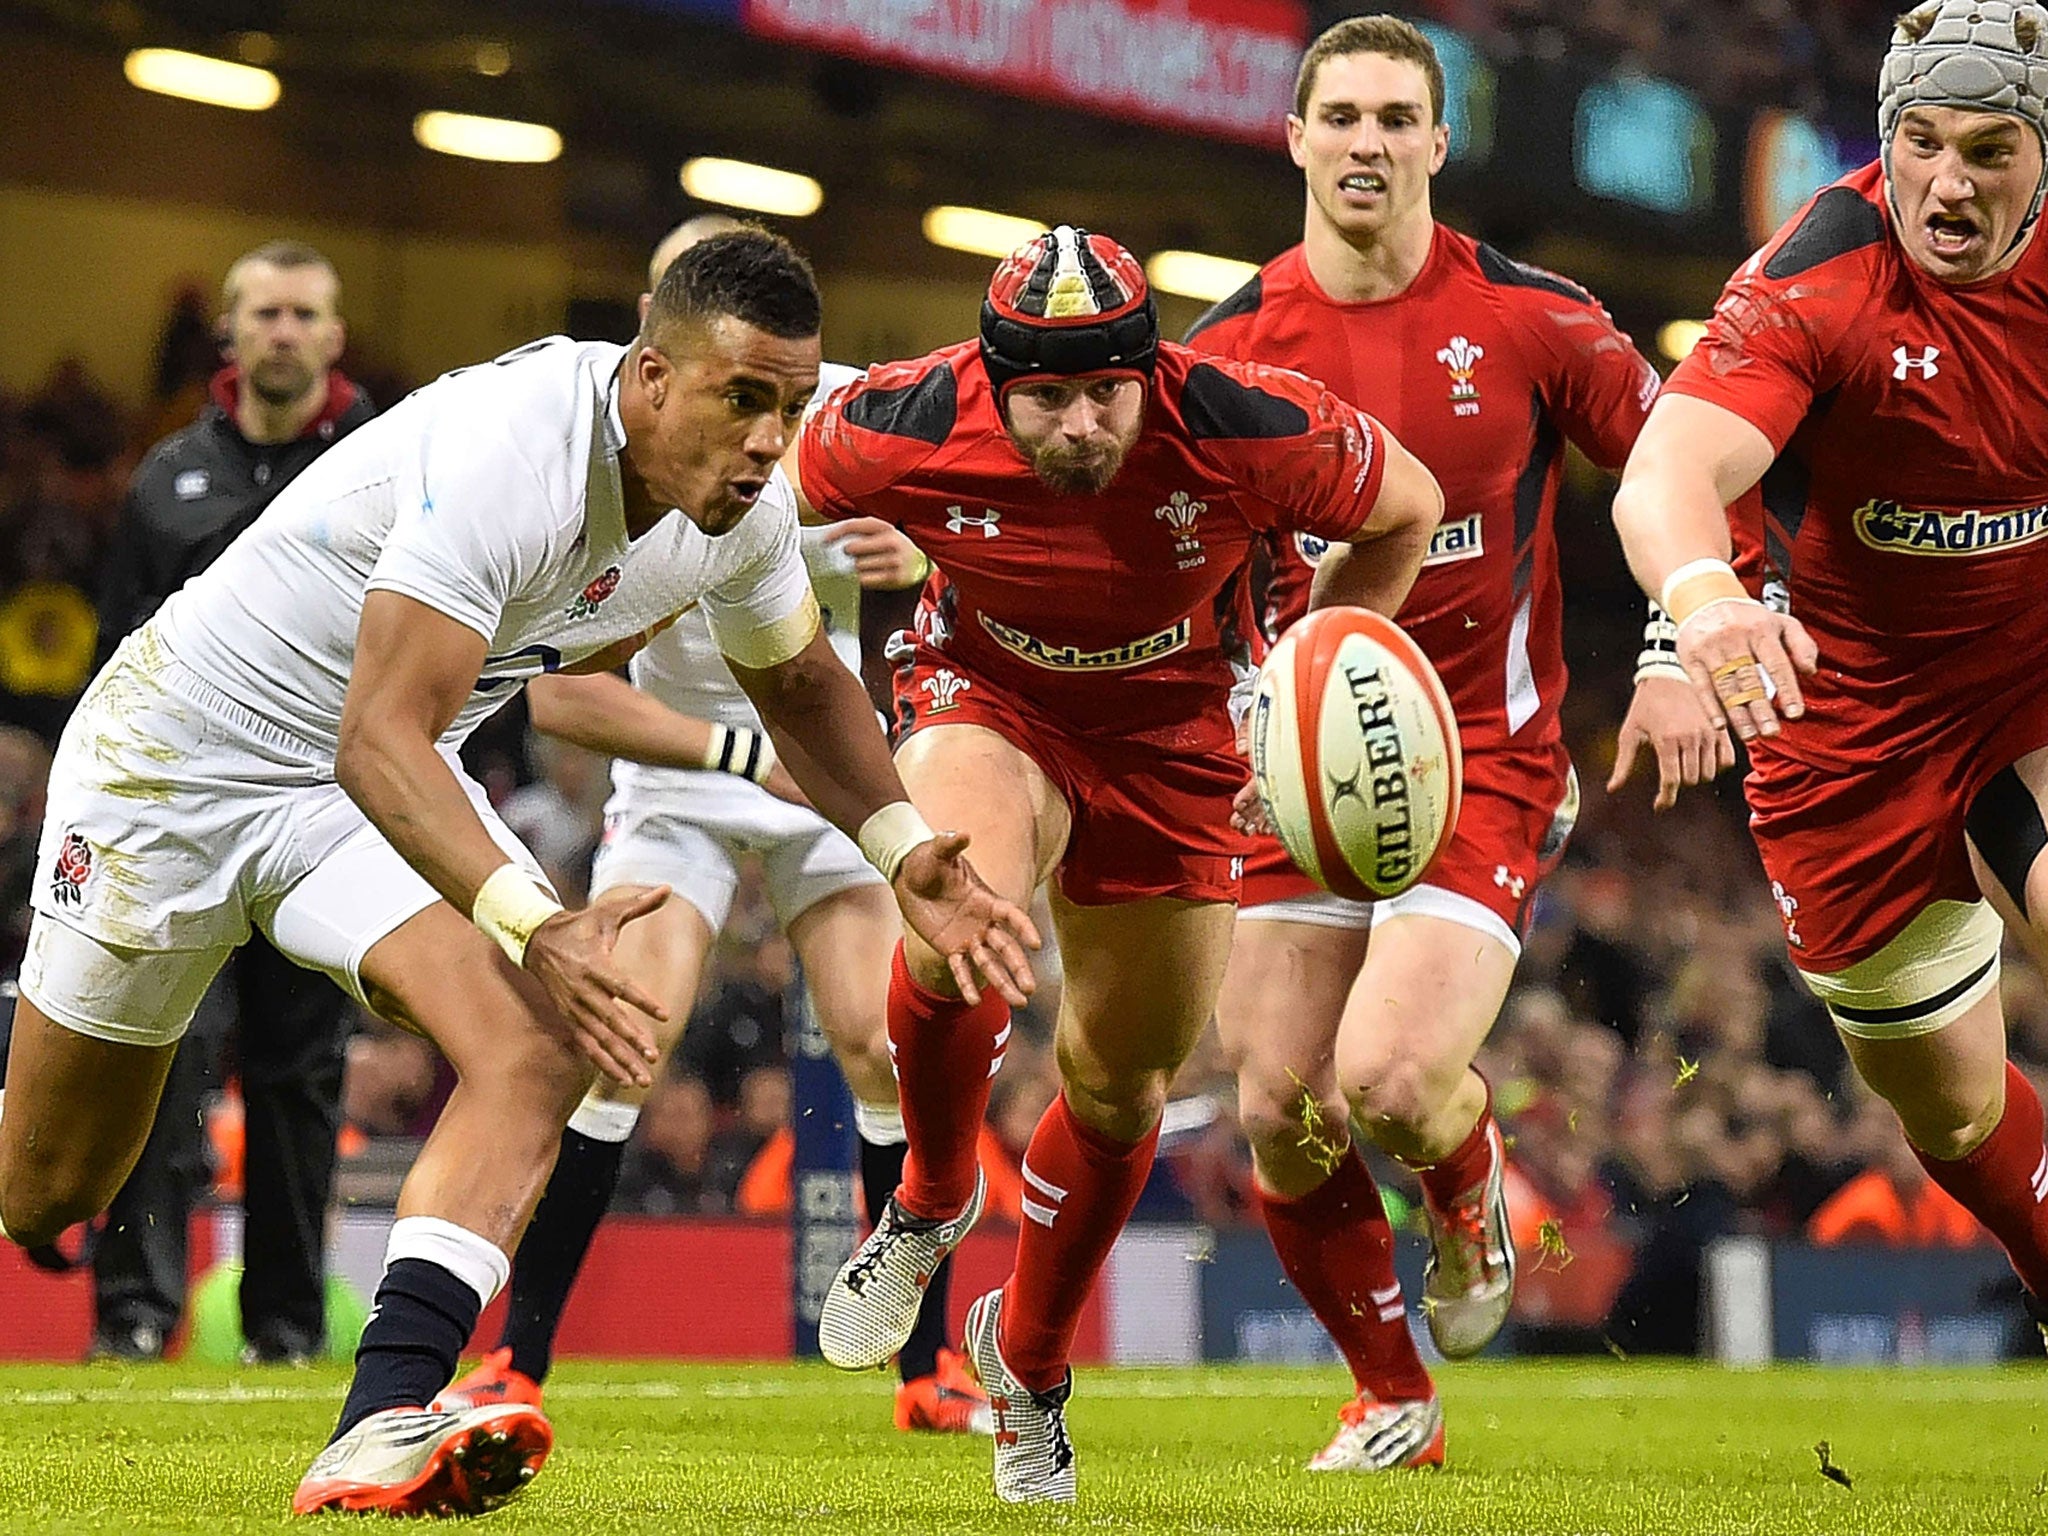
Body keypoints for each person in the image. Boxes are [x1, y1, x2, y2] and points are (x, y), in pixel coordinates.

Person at [0, 227, 1035, 1519]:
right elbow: (383, 734)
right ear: (653, 376)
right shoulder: (516, 448)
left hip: (350, 798)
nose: (772, 441)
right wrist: (536, 919)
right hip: (175, 767)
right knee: (49, 1190)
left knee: (545, 1043)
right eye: (742, 399)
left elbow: (805, 683)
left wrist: (905, 851)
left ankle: (380, 1422)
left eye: (789, 405)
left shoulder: (744, 511)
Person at [798, 225, 1445, 1503]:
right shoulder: (897, 418)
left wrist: (1307, 674)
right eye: (1047, 398)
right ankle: (929, 1198)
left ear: (1151, 371)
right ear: (991, 381)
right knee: (953, 919)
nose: (1082, 425)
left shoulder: (1247, 419)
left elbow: (1407, 505)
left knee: (1118, 1081)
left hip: (1182, 744)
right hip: (988, 698)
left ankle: (1026, 1364)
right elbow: (745, 492)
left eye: (1108, 392)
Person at [1180, 15, 1722, 1470]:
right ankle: (1391, 1397)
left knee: (1392, 1082)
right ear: (1292, 139)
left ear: (1435, 141)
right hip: (1297, 755)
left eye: (1393, 117)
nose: (1365, 141)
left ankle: (1469, 1180)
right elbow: (1180, 567)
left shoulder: (1534, 317)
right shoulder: (1225, 352)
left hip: (1482, 749)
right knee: (1277, 1100)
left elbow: (1681, 462)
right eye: (1338, 115)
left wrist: (1676, 642)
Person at [434, 216, 991, 1437]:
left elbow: (983, 540)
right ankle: (516, 1361)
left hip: (825, 768)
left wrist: (929, 551)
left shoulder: (841, 414)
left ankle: (924, 1365)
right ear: (661, 332)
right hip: (692, 772)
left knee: (876, 1045)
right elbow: (563, 693)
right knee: (619, 1035)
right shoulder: (598, 440)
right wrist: (746, 755)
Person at [1611, 0, 2048, 1366]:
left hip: (2029, 686)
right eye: (1920, 141)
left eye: (1990, 149)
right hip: (1847, 724)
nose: (1948, 182)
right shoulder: (1821, 273)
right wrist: (1701, 607)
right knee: (1959, 1114)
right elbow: (1666, 474)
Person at [79, 239, 373, 1366]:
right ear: (234, 335)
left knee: (302, 1081)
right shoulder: (165, 479)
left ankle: (288, 1331)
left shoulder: (378, 460)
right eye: (267, 313)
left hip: (323, 813)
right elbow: (113, 666)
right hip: (183, 826)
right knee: (158, 1062)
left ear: (333, 337)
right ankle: (134, 1316)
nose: (285, 332)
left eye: (304, 314)